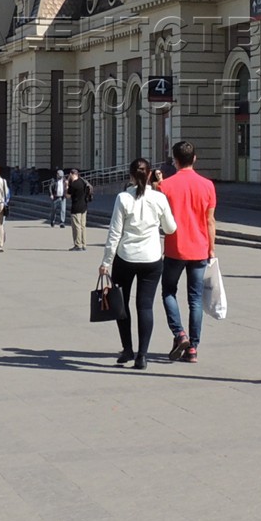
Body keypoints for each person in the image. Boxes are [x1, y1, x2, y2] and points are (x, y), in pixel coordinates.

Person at [99, 157, 177, 370]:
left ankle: (127, 349)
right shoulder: (159, 198)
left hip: (125, 258)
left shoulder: (123, 198)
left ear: (131, 175)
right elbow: (170, 228)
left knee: (121, 305)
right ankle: (142, 355)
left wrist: (106, 262)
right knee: (145, 306)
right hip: (151, 259)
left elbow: (114, 233)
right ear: (150, 174)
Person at [159, 140, 217, 364]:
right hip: (200, 248)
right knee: (195, 299)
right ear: (194, 158)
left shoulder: (165, 186)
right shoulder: (207, 185)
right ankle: (193, 347)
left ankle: (179, 333)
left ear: (174, 161)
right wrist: (211, 248)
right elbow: (210, 220)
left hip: (175, 249)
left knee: (168, 292)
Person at [66, 168, 94, 250]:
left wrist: (67, 185)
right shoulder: (83, 182)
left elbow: (67, 195)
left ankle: (78, 245)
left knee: (76, 226)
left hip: (76, 207)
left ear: (71, 174)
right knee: (83, 226)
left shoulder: (74, 185)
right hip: (84, 206)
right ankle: (84, 244)